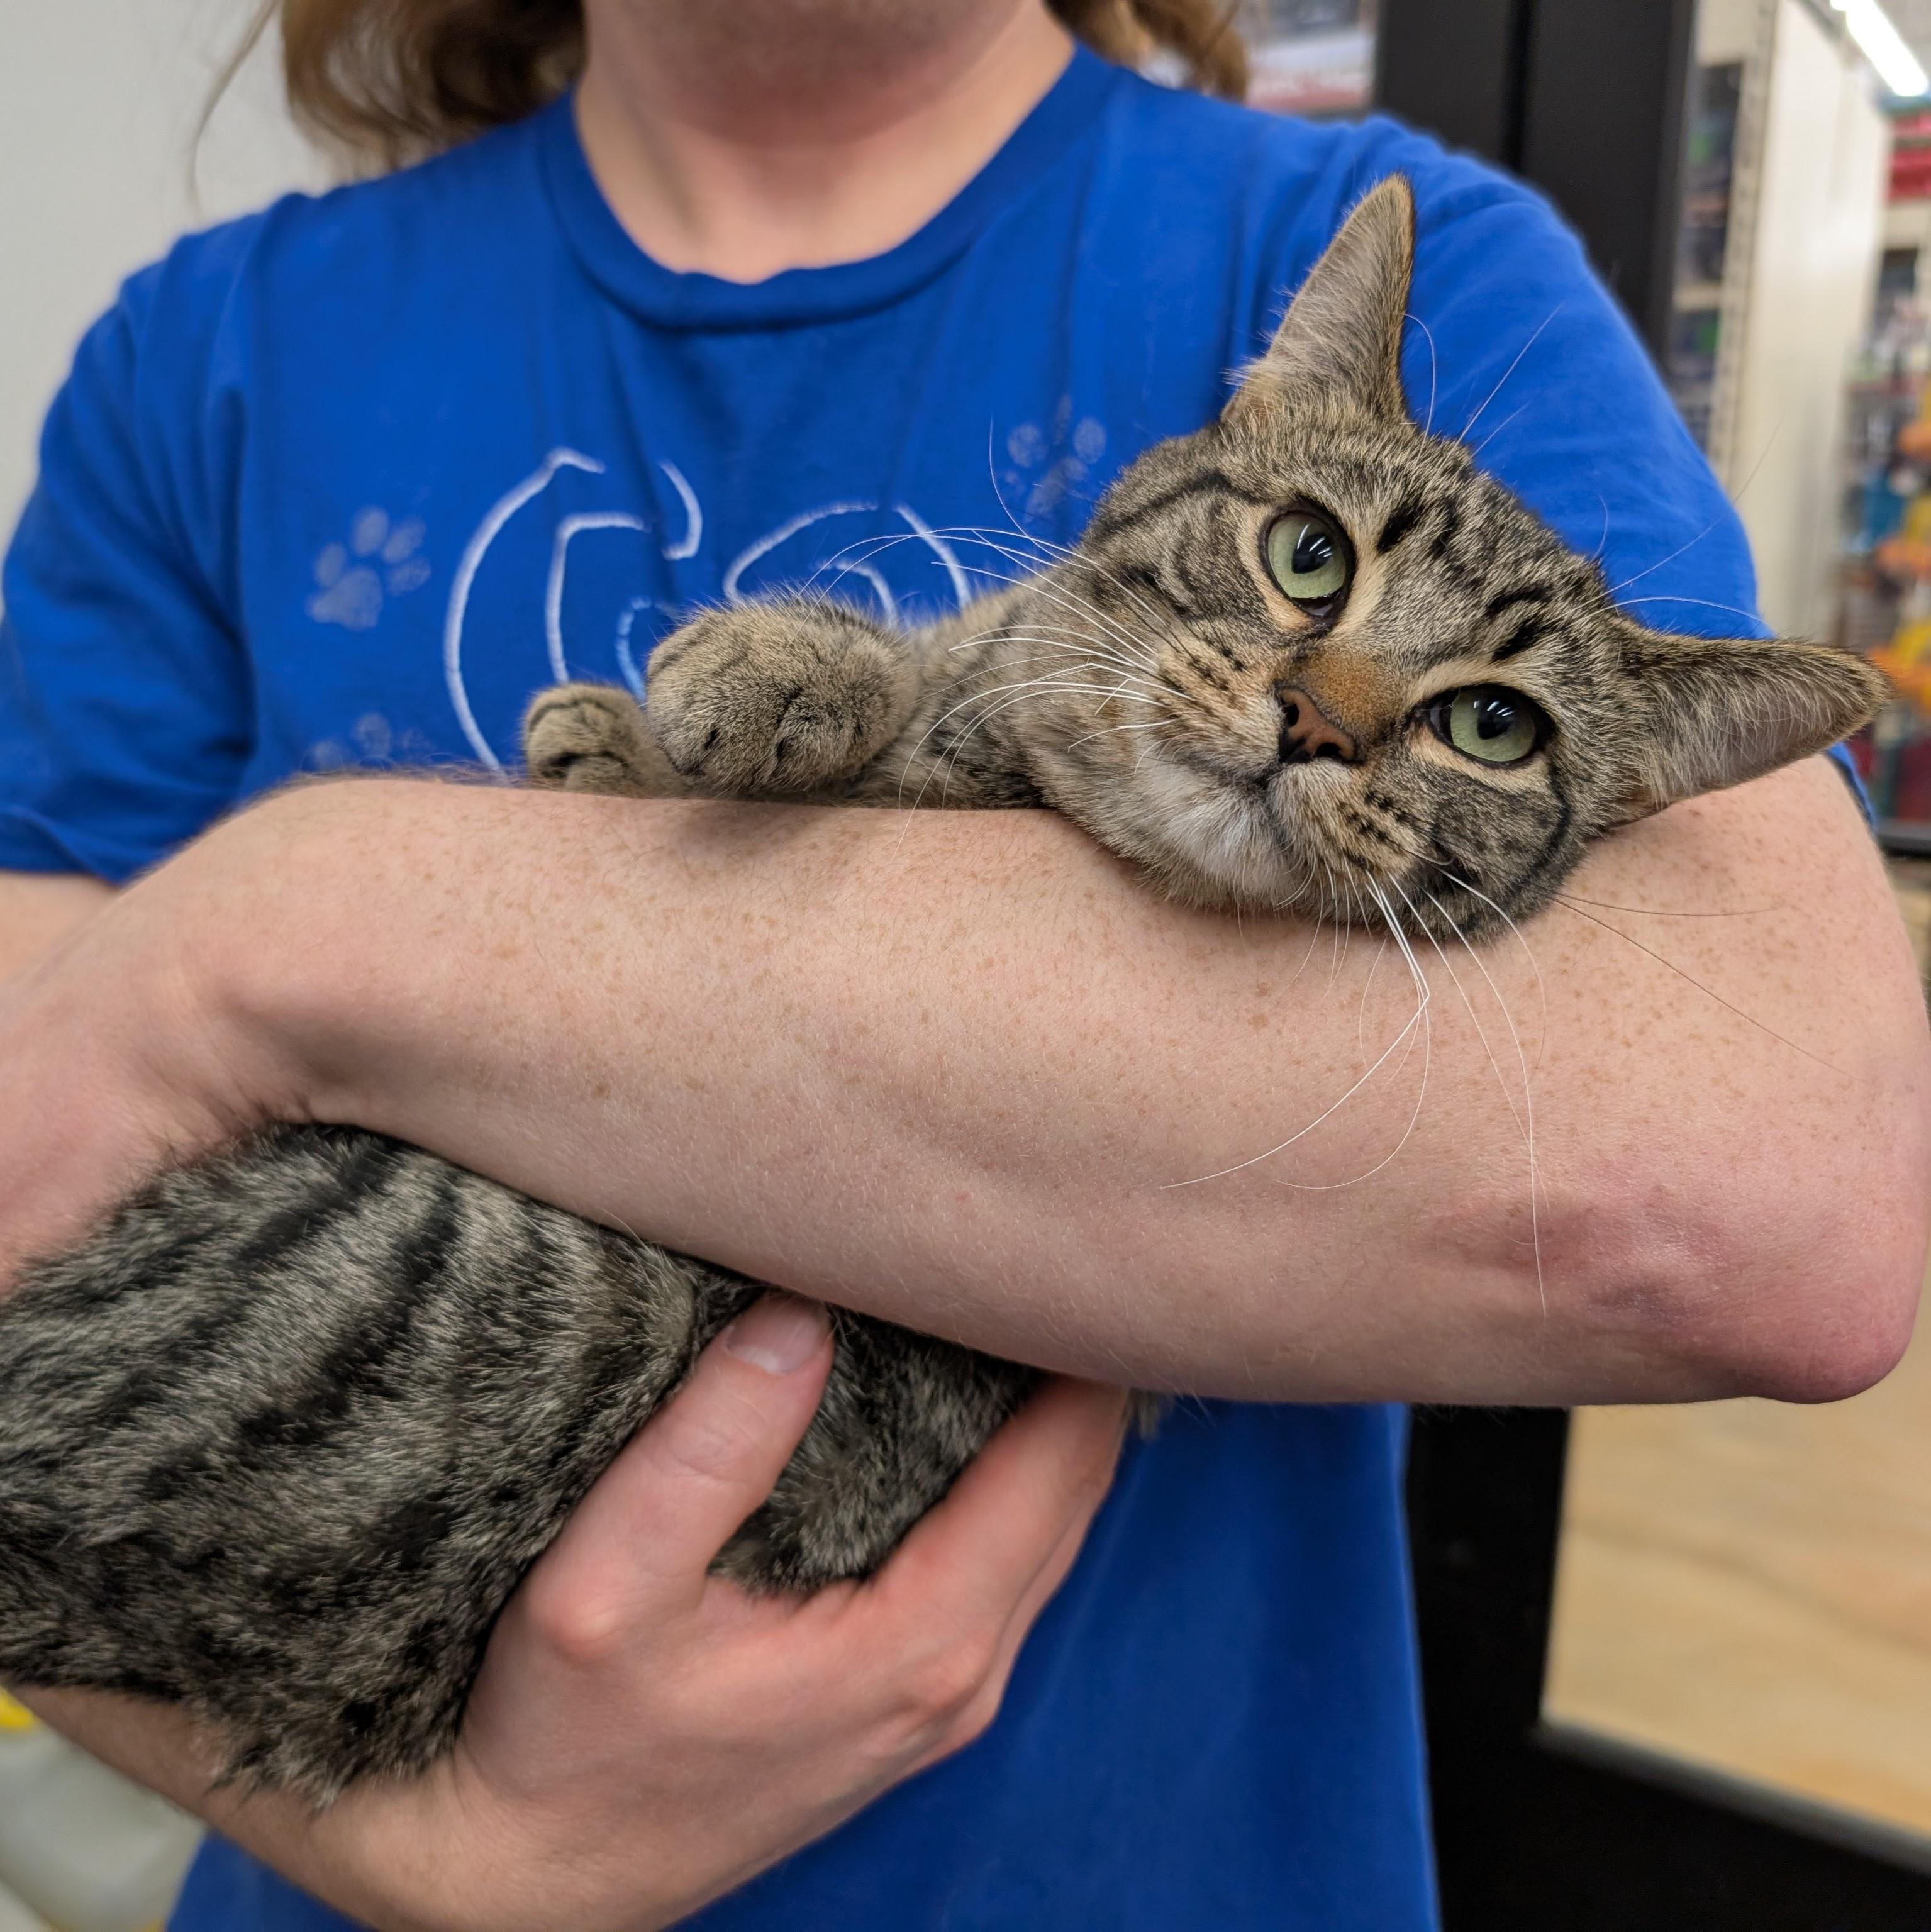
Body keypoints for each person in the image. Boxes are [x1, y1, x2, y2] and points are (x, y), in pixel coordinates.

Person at [0, 0, 1925, 1926]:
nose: (1332, 707)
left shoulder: (1408, 235)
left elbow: (1777, 1206)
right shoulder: (209, 353)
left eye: (1485, 721)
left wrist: (282, 924)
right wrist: (415, 1846)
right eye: (1317, 574)